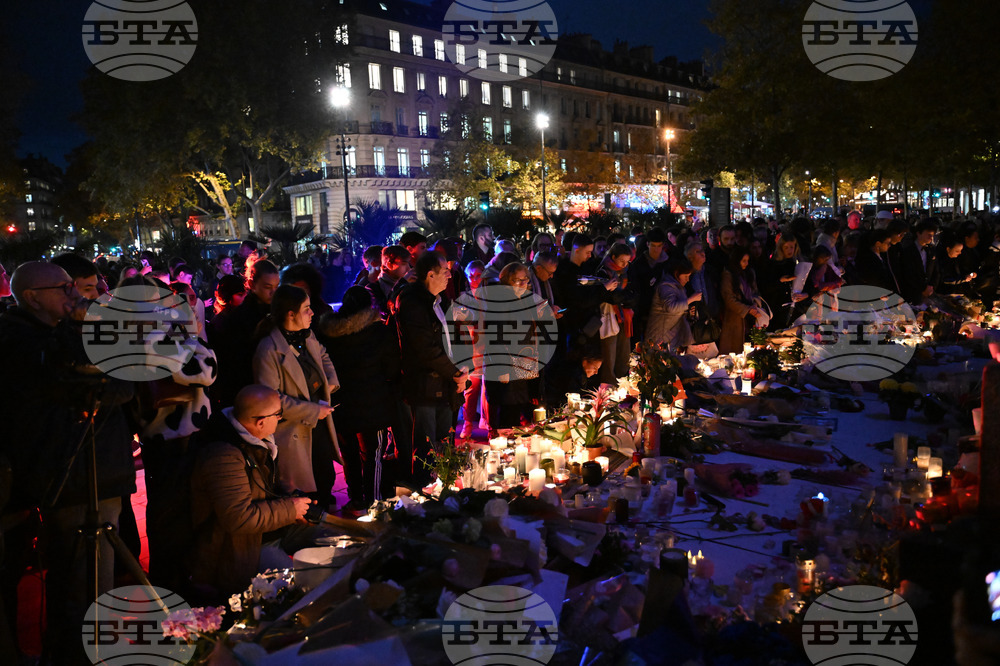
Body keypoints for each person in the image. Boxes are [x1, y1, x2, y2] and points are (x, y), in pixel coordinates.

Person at [0, 262, 134, 665]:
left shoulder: (54, 334)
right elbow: (83, 380)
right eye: (64, 288)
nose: (75, 294)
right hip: (71, 474)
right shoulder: (20, 338)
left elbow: (125, 381)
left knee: (92, 583)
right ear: (32, 297)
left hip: (96, 469)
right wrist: (80, 328)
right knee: (83, 587)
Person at [188, 385, 314, 601]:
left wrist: (292, 504)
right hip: (243, 548)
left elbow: (263, 492)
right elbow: (238, 518)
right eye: (278, 414)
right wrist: (289, 509)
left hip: (270, 529)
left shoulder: (257, 441)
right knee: (301, 590)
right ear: (261, 421)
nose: (281, 418)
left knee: (334, 539)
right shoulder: (223, 456)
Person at [253, 285, 341, 509]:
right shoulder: (268, 350)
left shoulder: (306, 335)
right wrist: (312, 411)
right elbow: (270, 399)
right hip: (294, 430)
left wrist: (329, 380)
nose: (312, 313)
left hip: (318, 422)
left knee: (324, 475)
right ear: (290, 314)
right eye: (307, 309)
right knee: (304, 489)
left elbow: (323, 354)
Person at [318, 287, 400, 509]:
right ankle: (373, 503)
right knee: (373, 456)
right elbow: (392, 369)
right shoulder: (378, 333)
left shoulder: (328, 333)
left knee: (350, 454)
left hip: (341, 405)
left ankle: (355, 498)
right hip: (374, 405)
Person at [395, 252, 469, 486]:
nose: (450, 275)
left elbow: (450, 338)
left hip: (445, 383)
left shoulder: (440, 299)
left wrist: (462, 369)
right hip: (424, 385)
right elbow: (426, 348)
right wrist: (456, 373)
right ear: (430, 274)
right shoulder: (412, 302)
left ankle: (446, 485)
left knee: (445, 440)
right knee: (426, 445)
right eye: (445, 271)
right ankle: (425, 490)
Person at [209, 259, 281, 409]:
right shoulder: (239, 318)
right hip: (249, 390)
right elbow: (234, 361)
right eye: (268, 287)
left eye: (276, 287)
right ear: (252, 285)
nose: (273, 292)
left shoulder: (279, 311)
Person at [483, 263, 547, 431]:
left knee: (519, 407)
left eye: (524, 280)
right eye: (516, 280)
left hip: (524, 362)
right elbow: (494, 336)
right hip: (507, 365)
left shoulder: (524, 300)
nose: (522, 284)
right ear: (506, 281)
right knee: (507, 410)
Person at [646, 258, 698, 351]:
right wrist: (691, 299)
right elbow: (670, 307)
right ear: (676, 273)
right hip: (660, 335)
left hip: (672, 335)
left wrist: (688, 312)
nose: (688, 279)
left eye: (689, 276)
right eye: (685, 276)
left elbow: (678, 309)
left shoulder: (678, 287)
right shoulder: (666, 286)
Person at [719, 248, 766, 354]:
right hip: (735, 318)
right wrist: (747, 309)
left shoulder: (748, 274)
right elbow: (729, 299)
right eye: (743, 261)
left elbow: (755, 292)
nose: (746, 264)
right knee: (734, 350)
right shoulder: (729, 275)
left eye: (747, 261)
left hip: (750, 318)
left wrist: (754, 304)